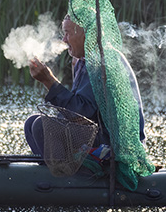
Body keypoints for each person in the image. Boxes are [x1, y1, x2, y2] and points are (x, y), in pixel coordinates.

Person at [24, 16, 145, 163]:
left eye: (68, 33)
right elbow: (77, 115)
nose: (64, 40)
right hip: (96, 135)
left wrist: (49, 81)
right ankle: (53, 171)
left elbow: (82, 114)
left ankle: (67, 177)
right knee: (31, 122)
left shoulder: (101, 61)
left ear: (86, 35)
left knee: (40, 126)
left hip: (112, 146)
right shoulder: (85, 60)